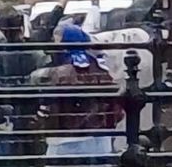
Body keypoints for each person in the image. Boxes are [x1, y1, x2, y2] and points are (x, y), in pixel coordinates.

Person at [34, 23, 122, 158]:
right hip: (100, 141)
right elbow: (116, 109)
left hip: (63, 143)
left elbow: (49, 111)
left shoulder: (56, 74)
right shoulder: (101, 69)